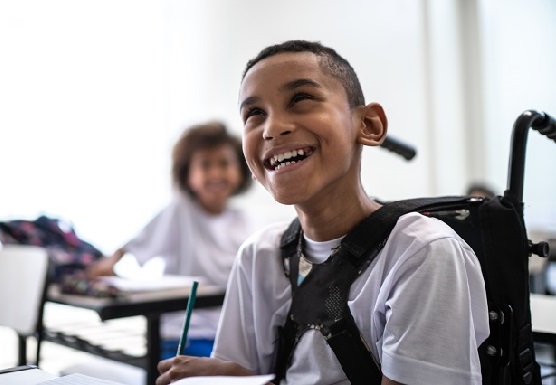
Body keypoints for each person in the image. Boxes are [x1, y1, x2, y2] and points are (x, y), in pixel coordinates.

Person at [156, 40, 489, 384]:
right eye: (255, 114)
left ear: (369, 125)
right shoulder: (259, 255)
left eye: (300, 99)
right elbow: (249, 371)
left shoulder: (421, 253)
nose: (272, 128)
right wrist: (223, 377)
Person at [85, 121, 256, 360]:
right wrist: (109, 264)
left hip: (226, 334)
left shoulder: (243, 221)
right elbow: (136, 245)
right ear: (188, 174)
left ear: (241, 170)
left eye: (224, 164)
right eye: (205, 165)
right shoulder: (180, 211)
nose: (216, 173)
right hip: (181, 335)